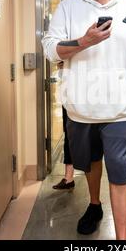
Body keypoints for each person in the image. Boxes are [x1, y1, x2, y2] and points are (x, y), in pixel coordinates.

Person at [41, 0, 126, 240]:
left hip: (121, 109)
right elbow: (49, 48)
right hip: (80, 108)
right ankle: (95, 205)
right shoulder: (69, 8)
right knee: (91, 163)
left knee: (119, 172)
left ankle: (122, 240)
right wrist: (84, 41)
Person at [52, 61, 75, 190]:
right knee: (69, 136)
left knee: (91, 139)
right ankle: (69, 177)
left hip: (89, 100)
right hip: (70, 98)